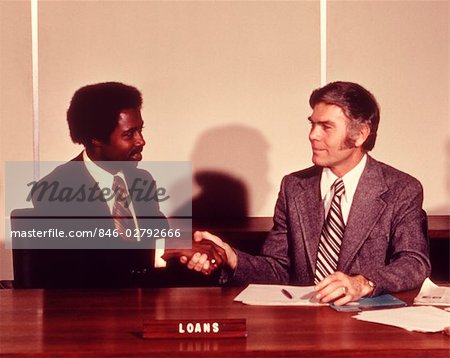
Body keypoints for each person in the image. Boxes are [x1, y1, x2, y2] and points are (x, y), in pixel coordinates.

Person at [182, 81, 431, 306]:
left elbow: (414, 263)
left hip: (368, 326)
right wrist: (231, 256)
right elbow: (278, 269)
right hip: (303, 324)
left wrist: (362, 283)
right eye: (312, 124)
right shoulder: (294, 186)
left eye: (326, 127)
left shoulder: (402, 189)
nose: (313, 135)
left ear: (360, 134)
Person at [12, 82, 225, 288]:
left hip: (146, 308)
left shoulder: (142, 180)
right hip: (86, 315)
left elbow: (159, 240)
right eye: (129, 134)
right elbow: (89, 263)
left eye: (141, 130)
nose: (141, 141)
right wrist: (170, 248)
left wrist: (196, 254)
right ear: (96, 138)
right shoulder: (53, 189)